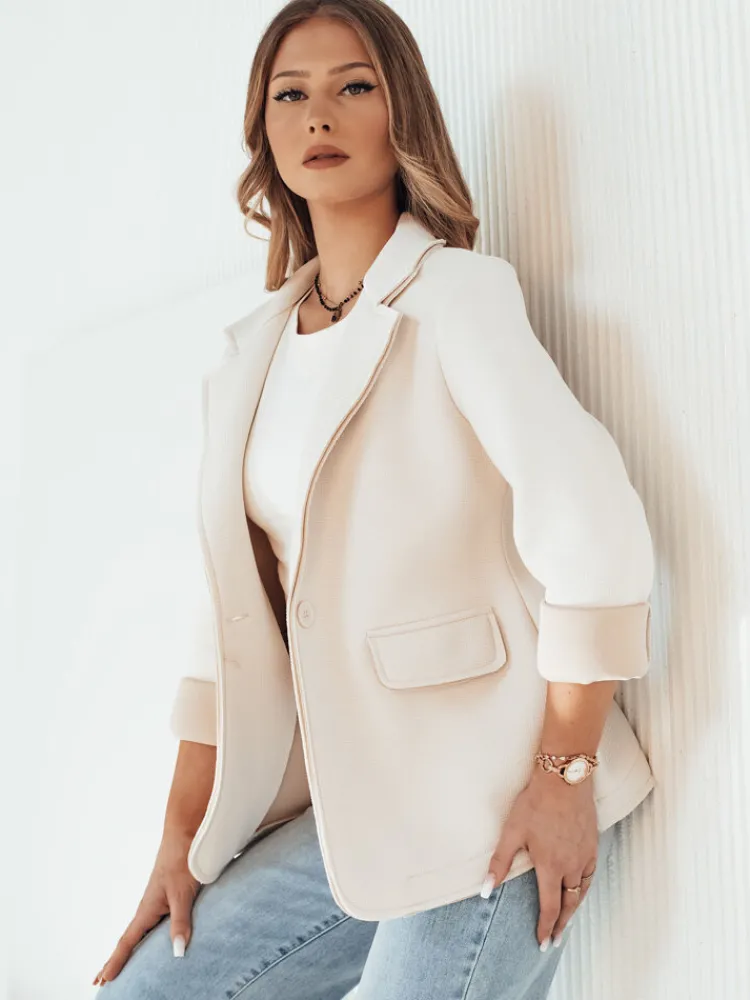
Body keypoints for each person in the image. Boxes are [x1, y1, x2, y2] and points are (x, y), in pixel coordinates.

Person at [93, 1, 656, 996]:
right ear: (264, 133)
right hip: (357, 806)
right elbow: (224, 632)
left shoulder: (456, 298)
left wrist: (563, 776)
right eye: (290, 95)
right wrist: (180, 839)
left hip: (490, 802)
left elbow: (595, 532)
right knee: (150, 987)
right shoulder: (251, 357)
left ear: (402, 114)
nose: (319, 115)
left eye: (354, 86)